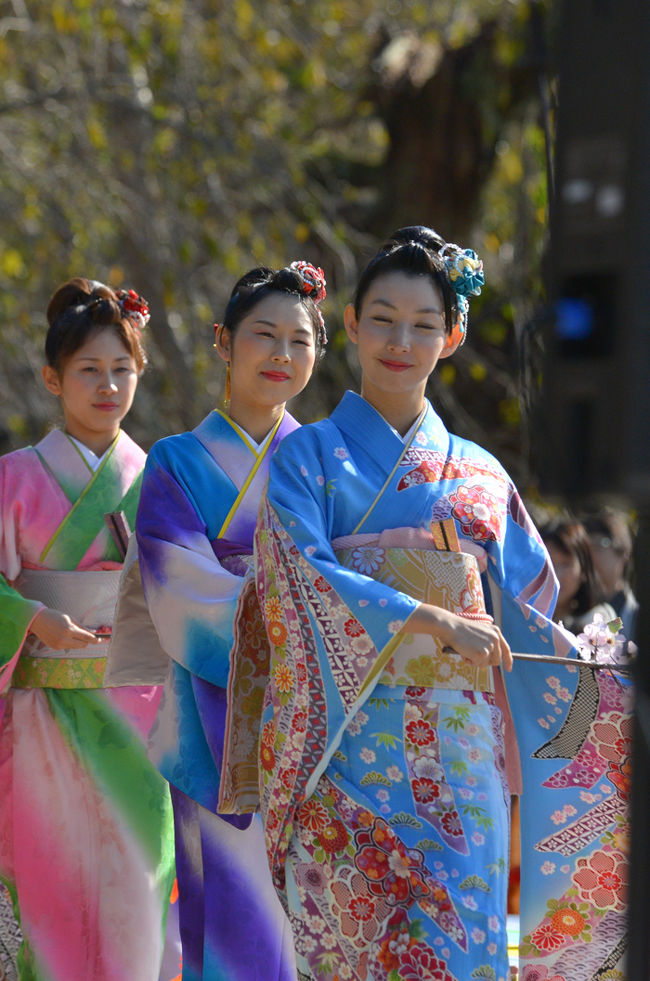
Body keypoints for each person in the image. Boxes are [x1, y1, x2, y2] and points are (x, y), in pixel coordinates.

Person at [221, 227, 571, 981]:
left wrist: (597, 671)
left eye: (422, 324)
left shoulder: (480, 474)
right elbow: (294, 579)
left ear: (453, 335)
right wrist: (427, 616)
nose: (399, 340)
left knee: (461, 953)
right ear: (348, 325)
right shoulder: (305, 457)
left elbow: (535, 613)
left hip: (458, 765)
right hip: (341, 760)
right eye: (381, 318)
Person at [134, 262, 326, 980]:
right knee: (234, 925)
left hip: (317, 717)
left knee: (316, 917)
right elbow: (174, 581)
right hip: (215, 719)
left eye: (300, 341)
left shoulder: (322, 459)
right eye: (264, 335)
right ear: (223, 341)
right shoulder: (176, 462)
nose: (282, 354)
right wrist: (287, 618)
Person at [0, 279, 175, 980]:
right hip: (40, 711)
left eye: (122, 369)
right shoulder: (11, 477)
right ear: (52, 377)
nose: (108, 385)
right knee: (49, 888)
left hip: (142, 713)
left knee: (137, 886)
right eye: (88, 370)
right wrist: (35, 616)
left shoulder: (161, 476)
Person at [540, 518, 616, 633]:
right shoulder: (520, 616)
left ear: (584, 569)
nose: (556, 574)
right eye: (549, 563)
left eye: (566, 565)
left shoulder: (603, 618)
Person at [582, 507, 638, 641]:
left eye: (597, 545)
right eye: (583, 548)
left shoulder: (635, 616)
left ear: (624, 553)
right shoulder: (571, 612)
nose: (589, 556)